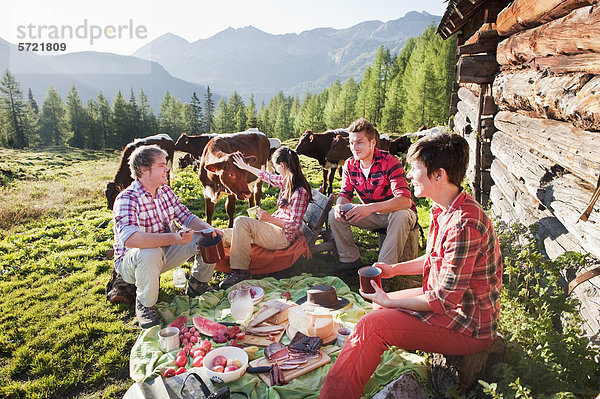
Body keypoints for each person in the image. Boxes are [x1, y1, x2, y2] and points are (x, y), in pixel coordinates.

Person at [320, 132, 503, 398]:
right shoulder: (445, 209)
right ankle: (372, 359)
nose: (409, 175)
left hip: (468, 324)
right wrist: (394, 270)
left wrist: (392, 302)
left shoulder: (464, 223)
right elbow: (434, 259)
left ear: (438, 175)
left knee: (372, 325)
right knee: (379, 305)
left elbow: (442, 300)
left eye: (415, 168)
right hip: (453, 306)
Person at [112, 145, 221, 329]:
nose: (167, 169)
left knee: (207, 237)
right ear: (144, 170)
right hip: (133, 262)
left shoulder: (165, 192)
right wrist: (175, 238)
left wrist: (208, 228)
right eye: (162, 165)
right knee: (150, 252)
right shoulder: (127, 198)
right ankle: (145, 304)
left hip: (164, 252)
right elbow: (131, 240)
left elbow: (187, 217)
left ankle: (198, 284)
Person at [328, 117, 417, 273]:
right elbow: (345, 192)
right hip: (373, 215)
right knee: (333, 214)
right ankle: (350, 260)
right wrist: (340, 205)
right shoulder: (350, 164)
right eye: (351, 143)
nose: (354, 147)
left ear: (373, 143)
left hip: (394, 213)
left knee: (401, 215)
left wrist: (368, 208)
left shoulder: (390, 161)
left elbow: (405, 201)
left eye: (359, 142)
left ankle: (382, 272)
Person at [219, 146, 312, 289]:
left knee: (241, 222)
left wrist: (268, 218)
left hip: (282, 237)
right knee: (222, 235)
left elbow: (293, 226)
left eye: (276, 167)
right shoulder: (287, 181)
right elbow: (265, 176)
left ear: (282, 166)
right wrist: (245, 167)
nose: (275, 171)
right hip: (273, 229)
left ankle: (240, 271)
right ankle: (206, 247)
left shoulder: (300, 192)